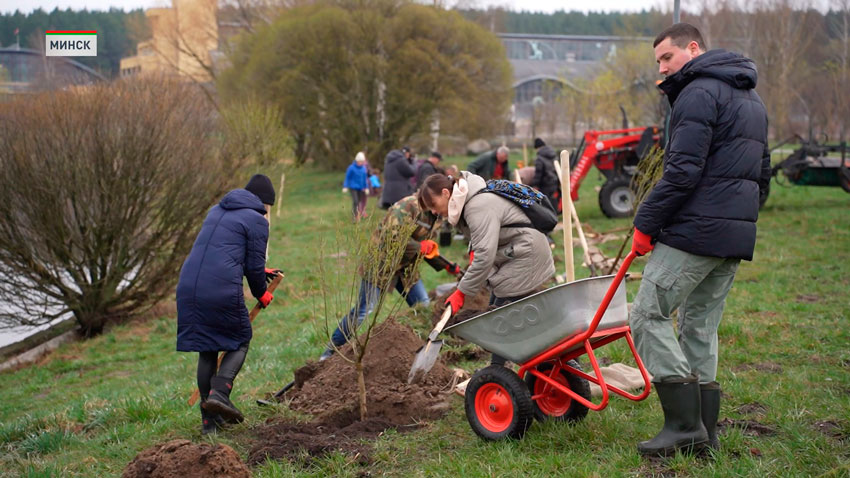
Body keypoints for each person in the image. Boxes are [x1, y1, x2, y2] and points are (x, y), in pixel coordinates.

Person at [629, 23, 770, 457]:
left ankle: (684, 426)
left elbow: (683, 172)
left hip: (695, 231)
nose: (662, 69)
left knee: (647, 316)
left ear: (693, 48)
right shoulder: (751, 97)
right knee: (699, 327)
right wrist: (738, 217)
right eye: (658, 62)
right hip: (731, 235)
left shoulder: (698, 92)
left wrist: (646, 223)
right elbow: (762, 175)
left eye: (667, 58)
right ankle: (703, 434)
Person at [176, 174, 278, 435]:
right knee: (241, 338)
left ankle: (210, 423)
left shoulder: (216, 210)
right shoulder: (257, 220)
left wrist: (259, 269)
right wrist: (262, 293)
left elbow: (221, 251)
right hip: (219, 289)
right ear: (264, 203)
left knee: (207, 348)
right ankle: (220, 392)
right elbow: (253, 269)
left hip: (189, 286)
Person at [418, 172, 555, 365]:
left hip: (526, 255)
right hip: (515, 251)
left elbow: (484, 256)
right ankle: (504, 369)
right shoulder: (468, 200)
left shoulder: (476, 205)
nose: (433, 212)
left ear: (446, 193)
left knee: (502, 320)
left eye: (433, 205)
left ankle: (507, 370)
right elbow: (482, 234)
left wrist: (461, 293)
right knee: (496, 314)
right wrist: (475, 249)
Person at [319, 194, 461, 360]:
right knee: (364, 310)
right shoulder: (407, 207)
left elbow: (426, 247)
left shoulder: (435, 216)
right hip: (381, 263)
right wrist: (419, 246)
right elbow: (391, 237)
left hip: (405, 268)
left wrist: (447, 266)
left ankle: (425, 352)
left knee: (423, 306)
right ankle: (329, 353)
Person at [529, 138, 560, 212]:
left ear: (537, 148)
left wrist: (534, 185)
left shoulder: (539, 158)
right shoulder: (553, 155)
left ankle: (547, 220)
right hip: (554, 183)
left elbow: (538, 173)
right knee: (552, 201)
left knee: (545, 204)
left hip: (544, 184)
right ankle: (554, 217)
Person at [343, 152, 370, 222]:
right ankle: (354, 217)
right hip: (353, 187)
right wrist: (345, 186)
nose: (361, 163)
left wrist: (366, 187)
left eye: (362, 161)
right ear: (357, 160)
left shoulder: (364, 168)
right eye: (360, 161)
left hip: (360, 188)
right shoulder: (351, 168)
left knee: (359, 201)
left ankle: (358, 215)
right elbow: (347, 177)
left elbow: (365, 179)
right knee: (355, 201)